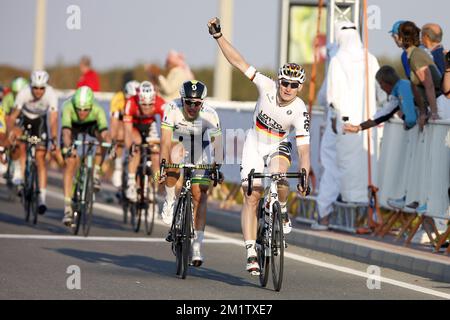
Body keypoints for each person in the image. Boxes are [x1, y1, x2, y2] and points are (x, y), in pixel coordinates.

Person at [207, 17, 311, 274]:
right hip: (254, 143)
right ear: (278, 81)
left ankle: (282, 208)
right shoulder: (265, 85)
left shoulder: (300, 110)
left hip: (278, 145)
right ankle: (251, 251)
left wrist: (306, 173)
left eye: (293, 85)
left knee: (281, 175)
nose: (287, 88)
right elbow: (238, 61)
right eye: (285, 82)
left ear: (300, 88)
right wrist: (218, 36)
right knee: (252, 196)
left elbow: (304, 149)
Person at [315, 21, 380, 230]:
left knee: (331, 166)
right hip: (366, 126)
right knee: (370, 168)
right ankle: (372, 217)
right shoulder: (371, 59)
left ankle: (324, 217)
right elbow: (380, 93)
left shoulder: (338, 60)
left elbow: (329, 96)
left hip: (342, 124)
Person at [159, 80, 223, 267]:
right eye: (188, 102)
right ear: (182, 100)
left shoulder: (210, 114)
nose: (193, 107)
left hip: (200, 147)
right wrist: (164, 164)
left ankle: (196, 247)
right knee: (174, 157)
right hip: (177, 142)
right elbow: (164, 142)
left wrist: (216, 167)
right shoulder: (172, 108)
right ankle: (170, 201)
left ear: (202, 102)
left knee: (200, 194)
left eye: (197, 103)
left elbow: (218, 145)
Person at [7, 71, 58, 214]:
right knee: (18, 140)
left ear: (45, 87)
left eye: (41, 88)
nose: (38, 91)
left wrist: (53, 138)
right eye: (35, 88)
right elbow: (13, 116)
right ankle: (18, 171)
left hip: (40, 121)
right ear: (31, 86)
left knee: (40, 158)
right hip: (24, 118)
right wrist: (11, 131)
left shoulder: (51, 94)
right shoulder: (24, 93)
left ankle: (41, 198)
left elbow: (53, 119)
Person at [60, 86, 110, 225]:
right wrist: (69, 148)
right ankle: (67, 207)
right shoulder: (68, 107)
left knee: (104, 140)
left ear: (91, 106)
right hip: (72, 128)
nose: (82, 112)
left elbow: (105, 132)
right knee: (71, 161)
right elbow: (66, 133)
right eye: (79, 109)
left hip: (90, 125)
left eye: (86, 109)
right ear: (75, 105)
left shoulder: (97, 109)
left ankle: (96, 173)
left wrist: (108, 143)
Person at [123, 81, 165, 202]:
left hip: (150, 126)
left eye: (150, 105)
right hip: (134, 126)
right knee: (135, 148)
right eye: (143, 105)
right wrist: (130, 147)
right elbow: (127, 131)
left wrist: (162, 145)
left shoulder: (160, 103)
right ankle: (131, 183)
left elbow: (166, 129)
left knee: (156, 155)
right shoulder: (131, 102)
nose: (146, 108)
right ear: (139, 100)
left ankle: (154, 187)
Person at [343, 65, 417, 133]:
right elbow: (382, 114)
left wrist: (406, 123)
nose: (381, 87)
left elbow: (411, 120)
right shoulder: (397, 91)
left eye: (380, 84)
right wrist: (359, 127)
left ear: (385, 82)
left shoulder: (402, 88)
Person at [398, 21, 442, 125]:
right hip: (432, 104)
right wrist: (423, 113)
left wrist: (434, 113)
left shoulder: (416, 56)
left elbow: (429, 85)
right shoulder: (411, 55)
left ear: (401, 38)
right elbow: (415, 86)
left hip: (439, 104)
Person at [110, 79, 140, 188]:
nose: (131, 101)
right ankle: (118, 167)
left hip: (135, 121)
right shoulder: (118, 98)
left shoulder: (139, 100)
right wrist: (113, 139)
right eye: (129, 98)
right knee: (119, 134)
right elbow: (114, 121)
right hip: (123, 121)